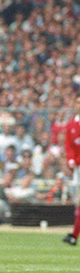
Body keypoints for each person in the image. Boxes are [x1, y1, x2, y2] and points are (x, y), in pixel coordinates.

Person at [61, 93, 80, 246]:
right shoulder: (72, 125)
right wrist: (71, 159)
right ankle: (74, 235)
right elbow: (68, 145)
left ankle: (74, 235)